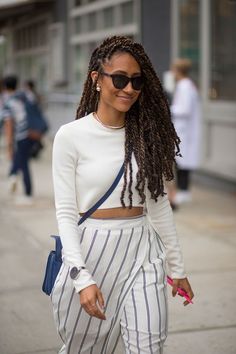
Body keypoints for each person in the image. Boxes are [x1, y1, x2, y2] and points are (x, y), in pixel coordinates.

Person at [51, 36, 194, 354]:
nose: (128, 88)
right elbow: (65, 212)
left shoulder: (147, 137)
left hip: (143, 252)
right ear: (96, 79)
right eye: (119, 78)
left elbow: (158, 206)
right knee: (86, 349)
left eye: (136, 81)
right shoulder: (71, 137)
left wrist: (177, 267)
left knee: (149, 348)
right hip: (92, 252)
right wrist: (80, 276)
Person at [170, 58, 201, 206]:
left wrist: (170, 109)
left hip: (184, 131)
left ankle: (183, 192)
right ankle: (183, 191)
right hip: (184, 130)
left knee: (182, 162)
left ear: (178, 71)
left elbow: (185, 109)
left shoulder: (184, 86)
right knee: (182, 161)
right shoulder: (188, 85)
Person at [2, 75, 34, 204]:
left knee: (23, 163)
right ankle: (13, 175)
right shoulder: (25, 95)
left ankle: (27, 192)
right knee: (21, 159)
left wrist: (9, 145)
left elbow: (9, 126)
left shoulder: (8, 103)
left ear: (5, 87)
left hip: (21, 136)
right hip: (32, 133)